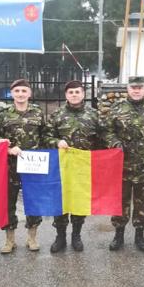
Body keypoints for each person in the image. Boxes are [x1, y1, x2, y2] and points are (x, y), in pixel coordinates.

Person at [104, 76, 144, 251]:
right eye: (133, 87)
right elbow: (107, 131)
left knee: (142, 203)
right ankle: (118, 235)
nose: (136, 90)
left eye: (140, 87)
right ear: (128, 89)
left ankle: (140, 236)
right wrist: (114, 142)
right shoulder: (117, 108)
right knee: (120, 203)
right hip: (121, 166)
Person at [46, 80, 103, 253]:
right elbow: (46, 136)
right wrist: (56, 141)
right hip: (62, 167)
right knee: (61, 201)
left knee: (79, 201)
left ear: (83, 94)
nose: (74, 95)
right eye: (71, 92)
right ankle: (60, 236)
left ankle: (76, 235)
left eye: (77, 92)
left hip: (83, 167)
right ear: (66, 95)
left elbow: (102, 138)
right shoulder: (57, 115)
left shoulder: (94, 115)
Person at [0, 79, 47, 254]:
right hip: (9, 167)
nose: (21, 94)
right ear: (12, 94)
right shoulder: (3, 114)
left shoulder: (38, 112)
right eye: (17, 91)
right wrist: (8, 149)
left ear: (29, 94)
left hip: (33, 167)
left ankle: (32, 238)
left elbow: (45, 136)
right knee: (9, 203)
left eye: (24, 91)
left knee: (33, 203)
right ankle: (10, 241)